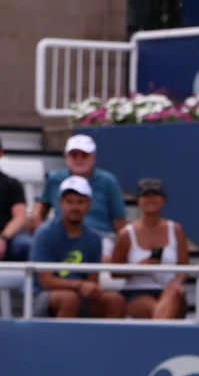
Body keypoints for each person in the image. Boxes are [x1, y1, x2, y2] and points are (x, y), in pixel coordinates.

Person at [31, 176, 125, 319]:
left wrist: (89, 288)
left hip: (79, 294)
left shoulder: (94, 238)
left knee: (115, 301)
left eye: (80, 202)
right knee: (69, 299)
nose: (75, 207)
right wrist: (80, 285)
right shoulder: (45, 233)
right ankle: (61, 342)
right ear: (61, 203)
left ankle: (106, 341)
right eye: (70, 202)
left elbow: (93, 279)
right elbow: (46, 281)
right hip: (43, 295)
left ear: (88, 204)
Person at [32, 135, 127, 261]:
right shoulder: (54, 178)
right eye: (74, 155)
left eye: (84, 155)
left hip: (101, 236)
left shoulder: (108, 181)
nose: (79, 159)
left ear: (93, 158)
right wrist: (41, 232)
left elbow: (119, 221)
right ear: (66, 158)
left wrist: (123, 252)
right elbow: (40, 207)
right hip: (61, 235)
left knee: (103, 259)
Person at [107, 178, 188, 320]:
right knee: (156, 308)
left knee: (172, 294)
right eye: (146, 195)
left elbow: (184, 269)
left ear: (163, 200)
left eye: (155, 195)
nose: (151, 199)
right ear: (138, 201)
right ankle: (160, 337)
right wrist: (139, 267)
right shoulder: (126, 234)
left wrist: (176, 283)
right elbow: (115, 272)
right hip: (135, 292)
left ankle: (156, 336)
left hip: (168, 290)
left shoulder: (176, 230)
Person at [0, 137, 33, 264]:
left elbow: (20, 217)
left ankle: (33, 284)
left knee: (28, 244)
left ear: (1, 153)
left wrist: (3, 238)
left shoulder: (12, 184)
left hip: (7, 238)